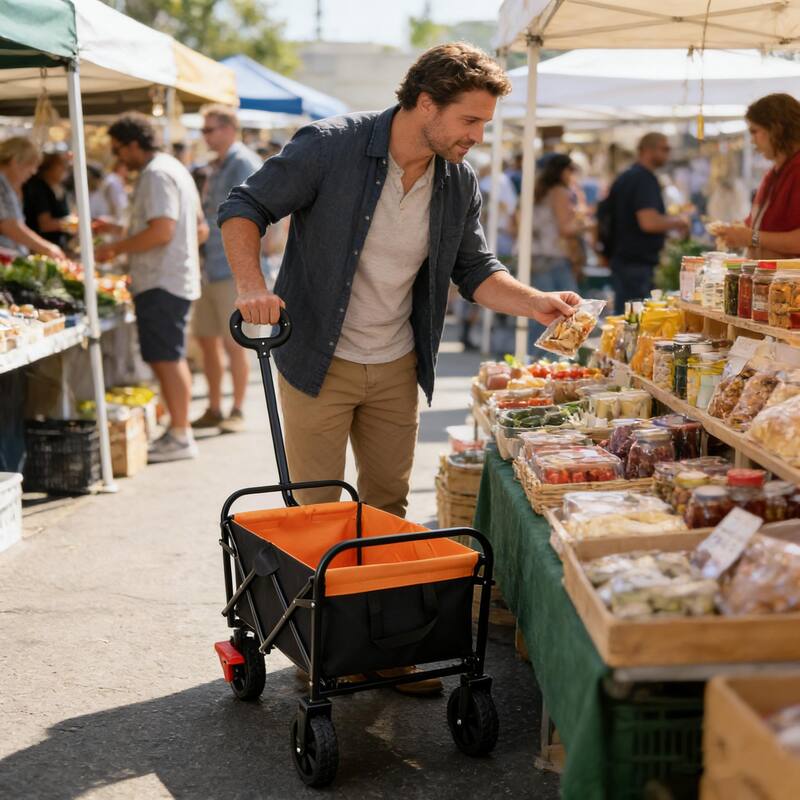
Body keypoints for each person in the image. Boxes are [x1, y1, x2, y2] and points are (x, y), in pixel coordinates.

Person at [218, 43, 582, 691]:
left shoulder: (457, 181)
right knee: (316, 511)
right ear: (424, 103)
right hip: (316, 359)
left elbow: (475, 270)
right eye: (470, 121)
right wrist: (251, 286)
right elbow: (243, 206)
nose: (477, 137)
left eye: (484, 125)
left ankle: (383, 649)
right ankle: (324, 651)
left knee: (387, 510)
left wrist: (540, 305)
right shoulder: (329, 146)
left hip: (396, 362)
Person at [94, 113, 208, 463]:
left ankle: (180, 434)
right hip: (168, 277)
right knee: (167, 357)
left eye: (118, 150)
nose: (118, 159)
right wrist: (119, 231)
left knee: (167, 358)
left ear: (132, 144)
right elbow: (197, 228)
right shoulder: (171, 168)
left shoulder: (157, 173)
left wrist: (115, 248)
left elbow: (161, 231)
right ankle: (178, 430)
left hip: (162, 280)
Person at [191, 106, 263, 433]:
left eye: (210, 130)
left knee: (235, 343)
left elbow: (251, 216)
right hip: (210, 266)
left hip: (231, 268)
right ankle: (215, 407)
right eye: (204, 131)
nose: (205, 136)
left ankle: (236, 409)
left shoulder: (242, 162)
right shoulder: (219, 163)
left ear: (229, 129)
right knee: (208, 341)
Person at [602, 132, 689, 312]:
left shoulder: (627, 176)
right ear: (648, 150)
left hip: (625, 259)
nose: (668, 154)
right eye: (664, 149)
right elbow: (648, 222)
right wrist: (678, 222)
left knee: (626, 316)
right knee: (634, 318)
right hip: (635, 263)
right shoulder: (643, 179)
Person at [715, 93, 800, 258]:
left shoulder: (797, 170)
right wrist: (739, 229)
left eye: (755, 132)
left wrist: (750, 237)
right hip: (768, 278)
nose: (753, 141)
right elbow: (766, 223)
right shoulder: (775, 172)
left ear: (777, 128)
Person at [527, 153, 586, 351]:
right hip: (553, 256)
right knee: (568, 312)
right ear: (563, 171)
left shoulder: (537, 190)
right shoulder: (559, 191)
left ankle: (532, 362)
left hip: (535, 255)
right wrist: (584, 223)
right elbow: (565, 228)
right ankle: (553, 363)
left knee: (540, 316)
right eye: (571, 170)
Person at [0, 137, 63, 259]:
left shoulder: (8, 186)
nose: (33, 171)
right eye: (31, 164)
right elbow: (9, 225)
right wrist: (47, 248)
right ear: (15, 161)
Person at [23, 151, 71, 251]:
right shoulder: (38, 188)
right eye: (60, 165)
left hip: (56, 245)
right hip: (41, 246)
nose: (65, 168)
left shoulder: (60, 188)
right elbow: (45, 224)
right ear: (49, 167)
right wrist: (71, 223)